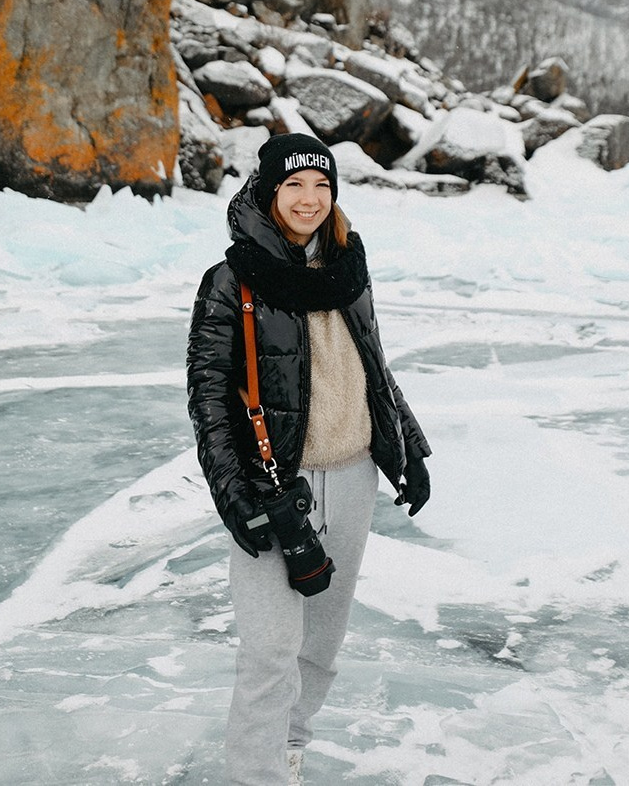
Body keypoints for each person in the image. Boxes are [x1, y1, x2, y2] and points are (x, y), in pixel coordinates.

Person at [187, 132, 431, 786]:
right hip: (273, 486)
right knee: (270, 651)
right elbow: (209, 398)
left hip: (353, 474)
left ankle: (288, 753)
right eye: (294, 184)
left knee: (319, 647)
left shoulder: (349, 267)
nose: (309, 198)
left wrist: (407, 447)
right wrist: (230, 492)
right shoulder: (231, 280)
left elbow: (373, 369)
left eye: (321, 184)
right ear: (268, 193)